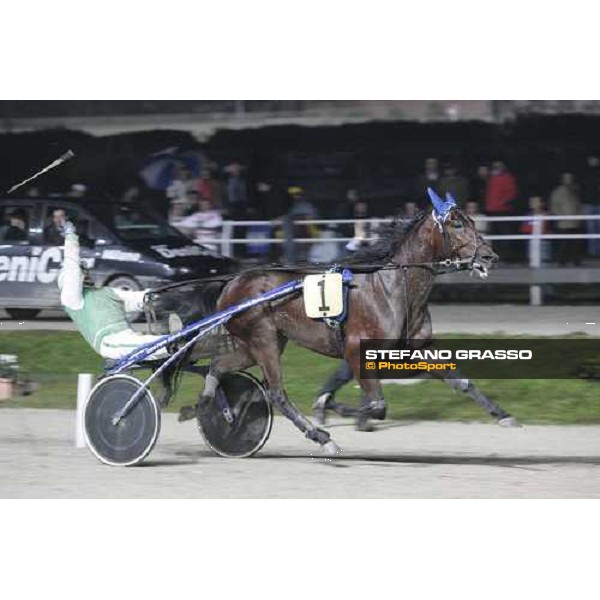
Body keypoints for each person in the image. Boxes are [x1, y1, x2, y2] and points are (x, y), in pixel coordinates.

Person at [58, 221, 181, 361]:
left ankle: (176, 342)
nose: (85, 274)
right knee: (152, 343)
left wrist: (160, 296)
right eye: (82, 272)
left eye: (85, 271)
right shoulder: (72, 300)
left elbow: (137, 299)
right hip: (109, 342)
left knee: (147, 341)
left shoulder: (107, 292)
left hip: (127, 337)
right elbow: (71, 267)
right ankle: (173, 341)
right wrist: (70, 236)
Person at [549, 172, 584, 266]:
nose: (569, 180)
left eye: (570, 178)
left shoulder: (575, 190)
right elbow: (554, 206)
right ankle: (561, 261)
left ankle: (576, 261)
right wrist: (559, 216)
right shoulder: (557, 191)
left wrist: (580, 215)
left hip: (575, 221)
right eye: (566, 178)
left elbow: (578, 204)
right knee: (563, 243)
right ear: (562, 179)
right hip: (564, 222)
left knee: (576, 243)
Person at [520, 196, 551, 264]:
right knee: (531, 259)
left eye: (536, 202)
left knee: (544, 259)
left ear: (542, 203)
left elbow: (547, 228)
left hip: (543, 241)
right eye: (531, 202)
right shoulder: (527, 215)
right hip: (530, 241)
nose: (532, 203)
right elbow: (524, 228)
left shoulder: (547, 214)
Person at [581, 155, 600, 256]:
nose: (594, 161)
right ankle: (593, 252)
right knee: (591, 229)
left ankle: (598, 251)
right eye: (592, 159)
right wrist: (583, 204)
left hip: (598, 203)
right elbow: (582, 190)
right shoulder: (585, 173)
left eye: (596, 159)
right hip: (589, 204)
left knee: (598, 228)